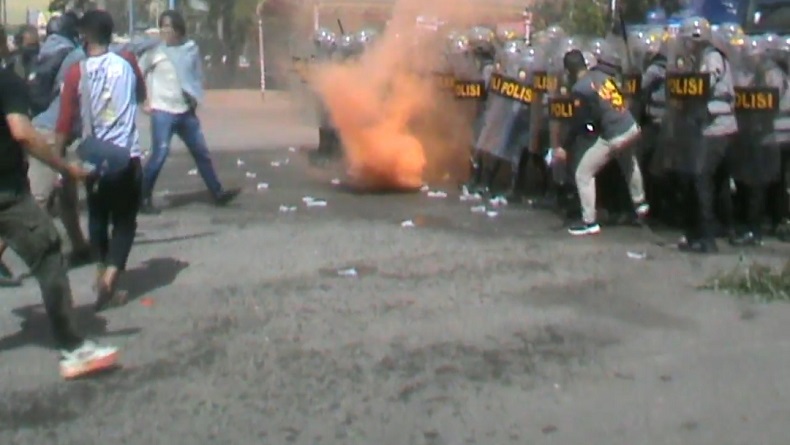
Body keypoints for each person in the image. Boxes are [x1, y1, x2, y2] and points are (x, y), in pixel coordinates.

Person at [0, 25, 119, 379]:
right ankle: (72, 347)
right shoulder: (7, 82)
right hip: (6, 192)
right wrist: (65, 166)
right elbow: (22, 132)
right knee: (49, 254)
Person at [55, 10, 147, 311]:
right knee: (125, 221)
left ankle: (100, 276)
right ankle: (110, 277)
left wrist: (59, 162)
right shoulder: (128, 63)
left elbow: (65, 121)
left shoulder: (76, 72)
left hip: (94, 155)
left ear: (84, 37)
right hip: (127, 154)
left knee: (97, 217)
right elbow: (141, 95)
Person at [0, 12, 92, 287]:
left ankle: (80, 247)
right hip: (53, 131)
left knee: (66, 195)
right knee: (33, 202)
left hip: (43, 125)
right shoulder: (73, 56)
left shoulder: (45, 51)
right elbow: (68, 99)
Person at [138, 10, 239, 215]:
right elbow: (137, 74)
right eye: (163, 26)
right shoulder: (154, 52)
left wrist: (194, 97)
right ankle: (143, 197)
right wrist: (142, 101)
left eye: (170, 27)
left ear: (179, 29)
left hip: (185, 111)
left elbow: (196, 76)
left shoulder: (190, 49)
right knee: (159, 154)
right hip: (162, 112)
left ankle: (217, 192)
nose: (166, 31)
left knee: (201, 153)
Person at [552, 49, 649, 236]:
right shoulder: (601, 76)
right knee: (627, 161)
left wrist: (564, 146)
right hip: (630, 126)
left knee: (583, 174)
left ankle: (589, 222)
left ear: (568, 71)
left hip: (614, 134)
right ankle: (640, 204)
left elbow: (579, 122)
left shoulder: (580, 88)